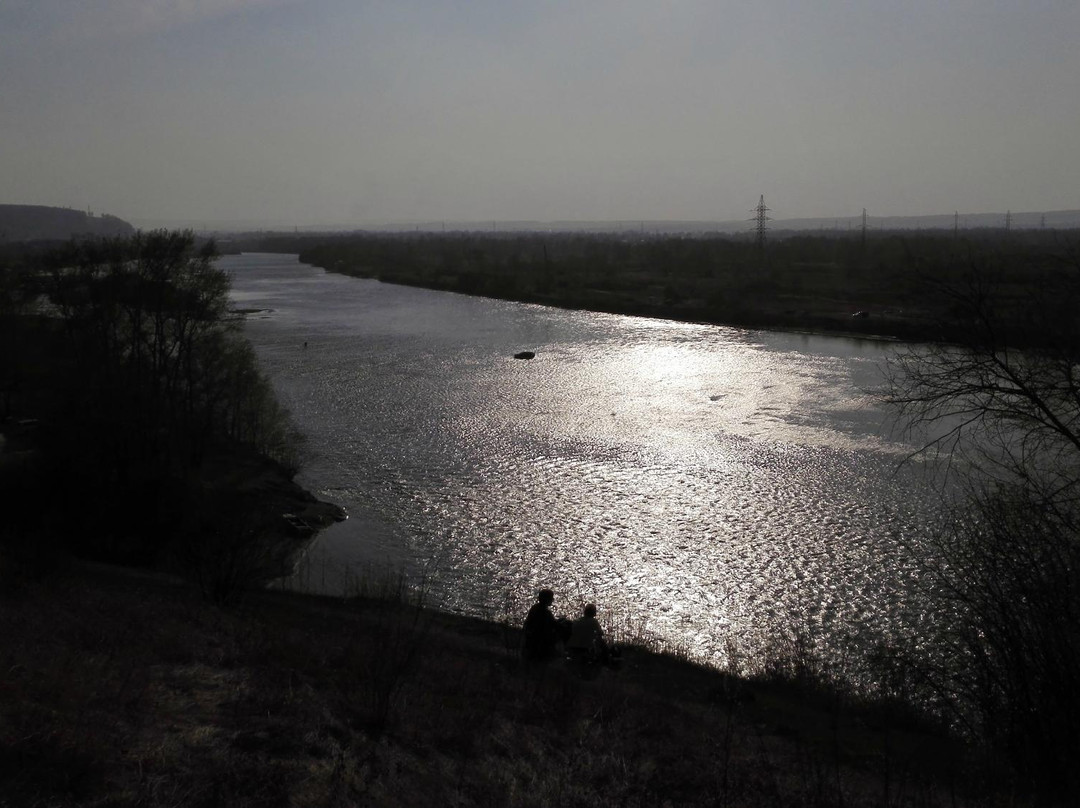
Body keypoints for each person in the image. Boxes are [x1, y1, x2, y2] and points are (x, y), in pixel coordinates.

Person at [523, 589, 566, 661]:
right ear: (547, 599)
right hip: (541, 641)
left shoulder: (534, 607)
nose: (553, 599)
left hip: (531, 639)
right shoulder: (546, 612)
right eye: (551, 598)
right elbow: (554, 625)